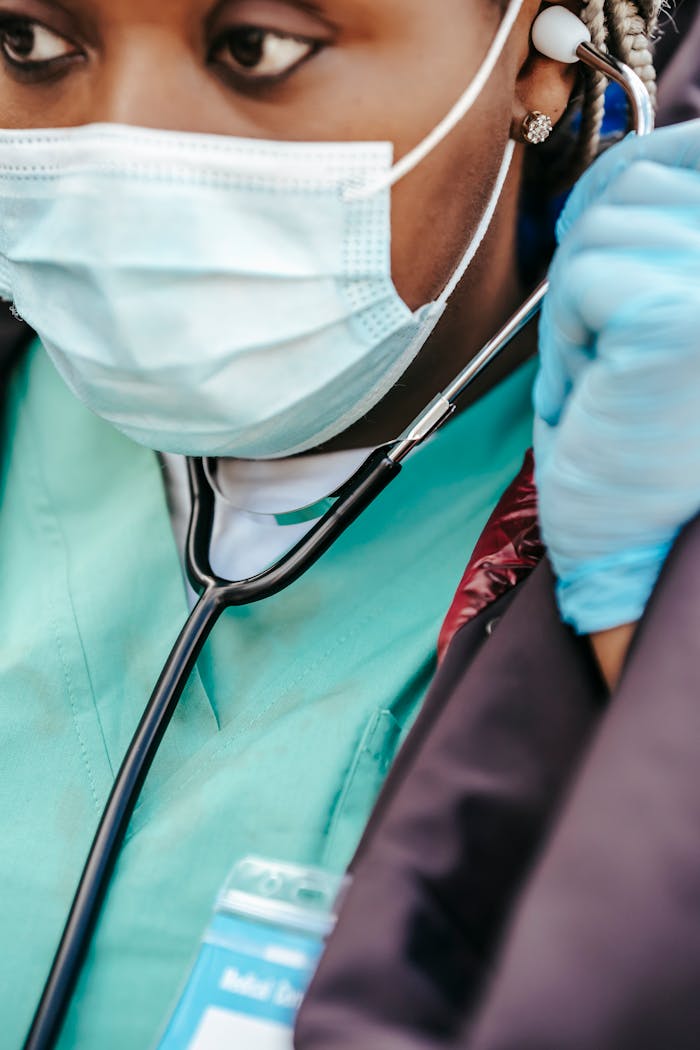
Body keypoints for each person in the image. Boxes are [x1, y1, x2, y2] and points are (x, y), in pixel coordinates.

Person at [0, 1, 695, 1049]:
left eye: (256, 47)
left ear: (536, 64)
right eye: (28, 46)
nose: (122, 148)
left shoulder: (645, 474)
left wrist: (659, 649)